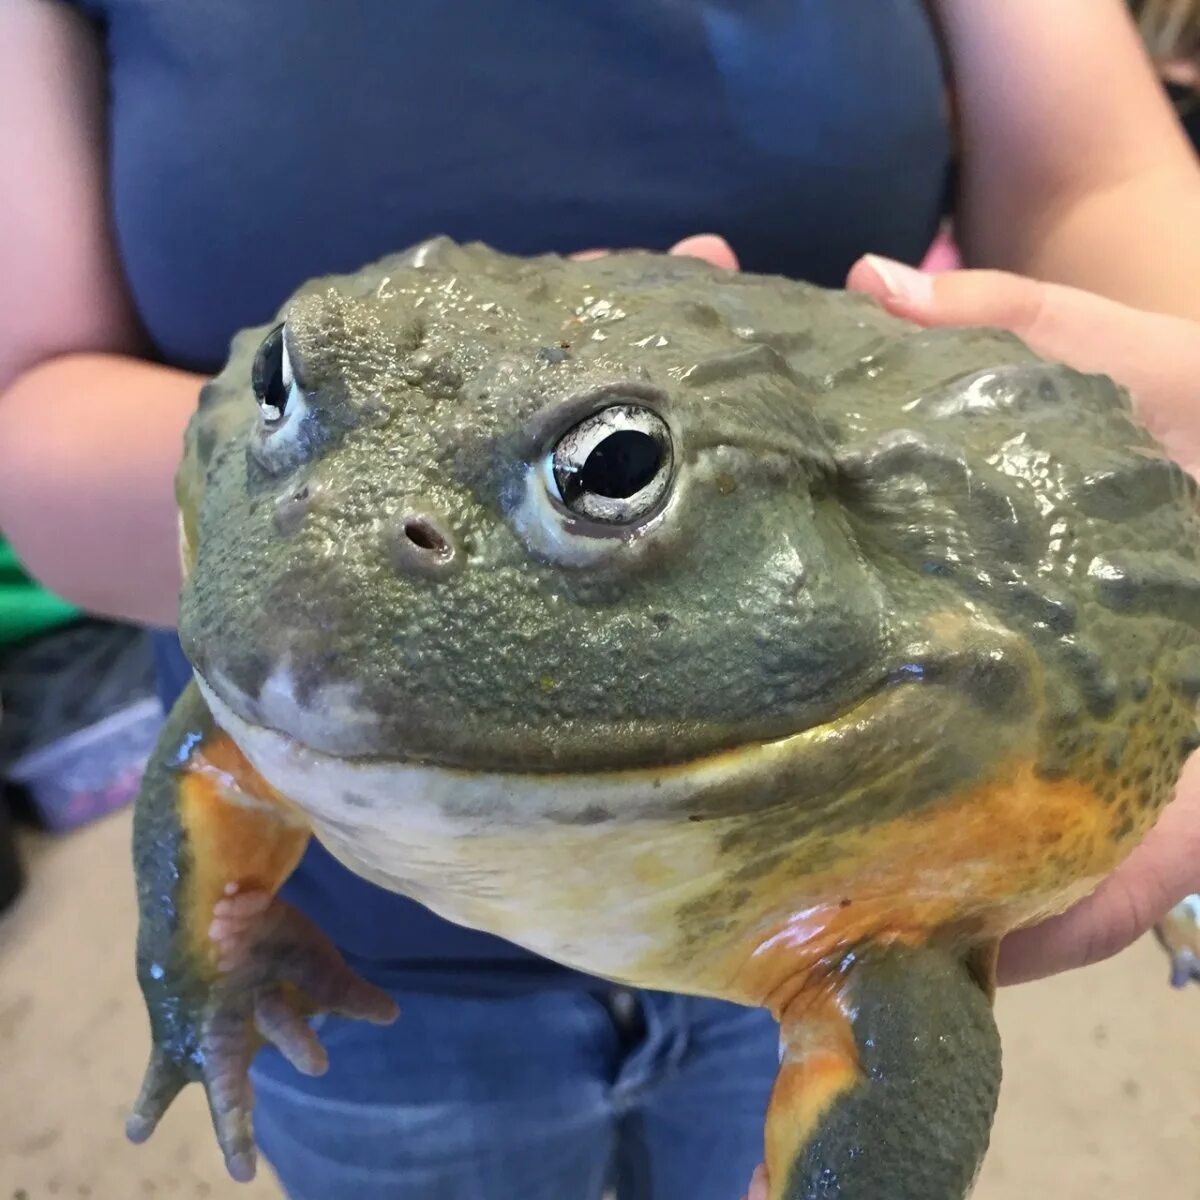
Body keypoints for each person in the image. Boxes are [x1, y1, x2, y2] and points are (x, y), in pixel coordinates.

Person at [2, 3, 1198, 1197]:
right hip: (372, 957)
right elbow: (35, 396)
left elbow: (1096, 173)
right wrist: (205, 965)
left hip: (808, 858)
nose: (370, 545)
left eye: (609, 474)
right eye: (283, 391)